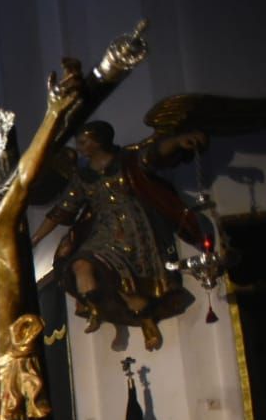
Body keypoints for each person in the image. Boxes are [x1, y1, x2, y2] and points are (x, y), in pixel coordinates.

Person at [31, 120, 208, 351]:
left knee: (128, 284)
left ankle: (146, 320)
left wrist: (175, 141)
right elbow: (62, 210)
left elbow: (153, 153)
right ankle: (93, 307)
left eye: (84, 142)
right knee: (80, 264)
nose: (80, 147)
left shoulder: (127, 161)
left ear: (98, 141)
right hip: (102, 232)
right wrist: (36, 239)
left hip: (135, 231)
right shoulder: (83, 177)